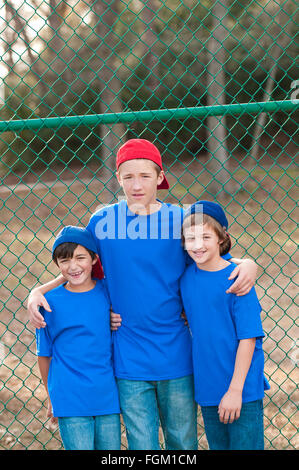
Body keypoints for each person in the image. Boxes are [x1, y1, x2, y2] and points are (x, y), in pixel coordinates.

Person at [28, 138, 258, 450]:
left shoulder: (179, 219)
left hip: (177, 353)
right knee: (142, 444)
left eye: (145, 176)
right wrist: (39, 289)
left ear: (160, 177)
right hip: (129, 356)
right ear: (117, 177)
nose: (137, 185)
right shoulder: (103, 221)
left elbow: (211, 259)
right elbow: (80, 265)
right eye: (128, 176)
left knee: (182, 441)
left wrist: (247, 263)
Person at [180, 200, 270, 450]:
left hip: (242, 389)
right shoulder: (186, 278)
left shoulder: (238, 279)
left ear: (222, 238)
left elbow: (248, 338)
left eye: (206, 237)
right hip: (208, 387)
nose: (197, 245)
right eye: (190, 238)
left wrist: (235, 391)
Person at [35, 226, 121, 450]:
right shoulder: (48, 303)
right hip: (69, 396)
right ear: (57, 265)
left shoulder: (108, 291)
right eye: (64, 261)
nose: (73, 266)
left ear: (94, 259)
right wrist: (50, 395)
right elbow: (44, 355)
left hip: (107, 394)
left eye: (80, 258)